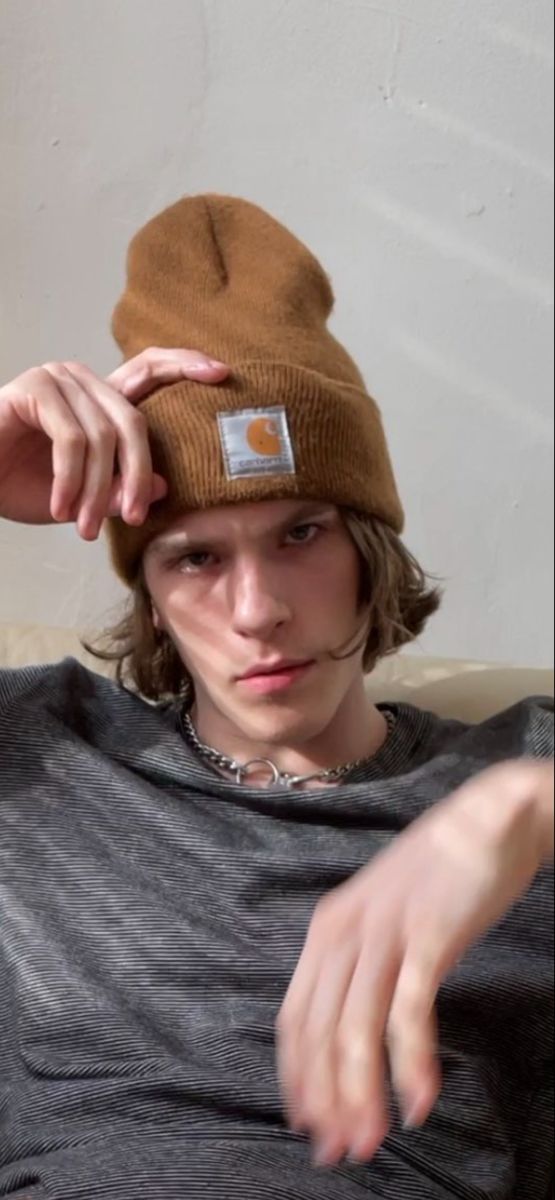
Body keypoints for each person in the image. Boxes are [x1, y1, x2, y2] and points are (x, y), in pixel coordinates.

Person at [0, 194, 552, 1200]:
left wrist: (531, 807)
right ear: (152, 600)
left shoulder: (522, 777)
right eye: (196, 556)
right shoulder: (37, 748)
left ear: (368, 549)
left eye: (301, 534)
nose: (256, 611)